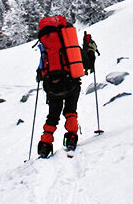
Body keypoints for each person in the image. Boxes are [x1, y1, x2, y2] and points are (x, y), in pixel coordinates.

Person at [35, 15, 98, 158]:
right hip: (71, 83)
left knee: (52, 116)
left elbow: (41, 69)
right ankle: (71, 139)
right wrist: (90, 51)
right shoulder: (70, 46)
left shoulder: (48, 47)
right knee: (70, 111)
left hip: (51, 85)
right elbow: (87, 64)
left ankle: (45, 145)